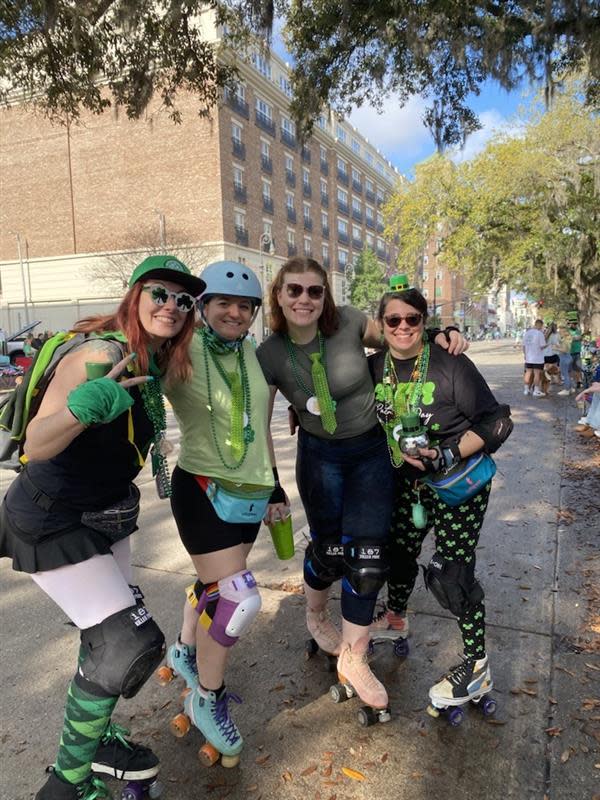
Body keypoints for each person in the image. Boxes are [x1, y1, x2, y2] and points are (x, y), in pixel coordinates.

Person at [0, 254, 205, 800]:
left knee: (101, 640)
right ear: (134, 295)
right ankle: (66, 785)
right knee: (129, 645)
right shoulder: (100, 353)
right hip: (53, 518)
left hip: (107, 518)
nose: (172, 306)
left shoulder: (155, 357)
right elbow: (36, 444)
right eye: (160, 293)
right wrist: (82, 409)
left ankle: (97, 743)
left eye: (184, 301)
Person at [256, 258, 467, 716]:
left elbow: (399, 334)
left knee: (369, 557)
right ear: (279, 294)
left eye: (315, 291)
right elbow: (257, 421)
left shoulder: (350, 323)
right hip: (319, 459)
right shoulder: (269, 353)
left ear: (325, 295)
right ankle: (315, 615)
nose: (305, 300)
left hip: (371, 453)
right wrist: (271, 486)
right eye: (295, 290)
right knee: (329, 552)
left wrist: (439, 332)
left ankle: (354, 655)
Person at [369, 285, 512, 714]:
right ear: (382, 325)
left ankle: (476, 665)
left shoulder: (451, 363)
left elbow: (498, 422)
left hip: (456, 487)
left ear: (424, 322)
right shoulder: (373, 367)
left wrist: (447, 453)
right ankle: (396, 620)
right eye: (393, 320)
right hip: (405, 487)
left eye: (413, 319)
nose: (403, 327)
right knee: (398, 554)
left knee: (452, 573)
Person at [165, 262, 277, 767]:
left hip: (249, 495)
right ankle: (206, 697)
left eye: (244, 306)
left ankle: (186, 649)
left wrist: (275, 488)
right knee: (238, 598)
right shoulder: (181, 349)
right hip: (202, 490)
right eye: (223, 304)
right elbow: (133, 346)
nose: (235, 313)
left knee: (212, 586)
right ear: (204, 307)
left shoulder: (254, 353)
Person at [522, 319, 547, 397]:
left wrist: (525, 354)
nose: (541, 327)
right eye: (541, 326)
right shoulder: (540, 333)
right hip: (537, 358)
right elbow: (542, 346)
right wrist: (548, 344)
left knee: (528, 372)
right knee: (537, 373)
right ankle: (536, 390)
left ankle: (526, 390)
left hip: (529, 357)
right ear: (539, 325)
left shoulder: (527, 333)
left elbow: (523, 345)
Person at [556, 324, 575, 396]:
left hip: (564, 358)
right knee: (569, 374)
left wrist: (556, 348)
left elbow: (564, 350)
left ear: (565, 332)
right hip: (569, 357)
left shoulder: (564, 340)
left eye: (561, 331)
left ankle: (567, 390)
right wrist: (558, 346)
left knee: (565, 374)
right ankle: (570, 388)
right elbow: (566, 348)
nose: (559, 333)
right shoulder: (568, 339)